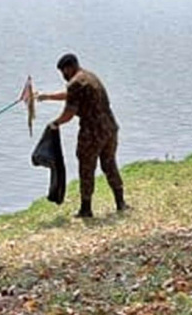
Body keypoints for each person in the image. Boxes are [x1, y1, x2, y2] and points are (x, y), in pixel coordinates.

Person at [37, 54, 127, 218]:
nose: (63, 76)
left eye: (63, 72)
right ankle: (121, 203)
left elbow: (68, 114)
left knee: (86, 167)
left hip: (92, 131)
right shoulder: (89, 77)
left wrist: (55, 123)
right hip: (109, 128)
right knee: (109, 164)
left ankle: (86, 209)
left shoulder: (75, 83)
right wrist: (48, 96)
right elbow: (72, 95)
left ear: (68, 68)